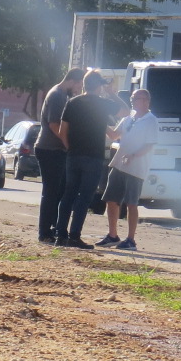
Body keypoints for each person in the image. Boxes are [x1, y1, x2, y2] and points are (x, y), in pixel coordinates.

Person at [53, 71, 124, 249]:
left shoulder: (72, 102)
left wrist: (70, 148)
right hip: (93, 157)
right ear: (99, 86)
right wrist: (113, 93)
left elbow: (62, 131)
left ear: (84, 84)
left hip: (74, 155)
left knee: (68, 195)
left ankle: (60, 235)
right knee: (84, 198)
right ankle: (75, 236)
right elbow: (126, 111)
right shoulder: (103, 103)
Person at [99, 88, 156, 251]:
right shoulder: (128, 118)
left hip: (137, 168)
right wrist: (100, 120)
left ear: (146, 101)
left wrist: (133, 155)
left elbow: (149, 145)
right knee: (111, 199)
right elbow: (114, 135)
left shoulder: (151, 120)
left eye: (136, 98)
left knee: (132, 203)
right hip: (119, 164)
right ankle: (112, 235)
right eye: (132, 98)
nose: (133, 101)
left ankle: (131, 239)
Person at [33, 67, 85, 243]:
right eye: (79, 85)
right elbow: (54, 125)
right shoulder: (57, 95)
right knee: (51, 192)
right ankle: (44, 232)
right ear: (74, 81)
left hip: (57, 150)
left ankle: (54, 228)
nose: (79, 90)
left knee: (60, 191)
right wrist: (67, 144)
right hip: (49, 149)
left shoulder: (63, 95)